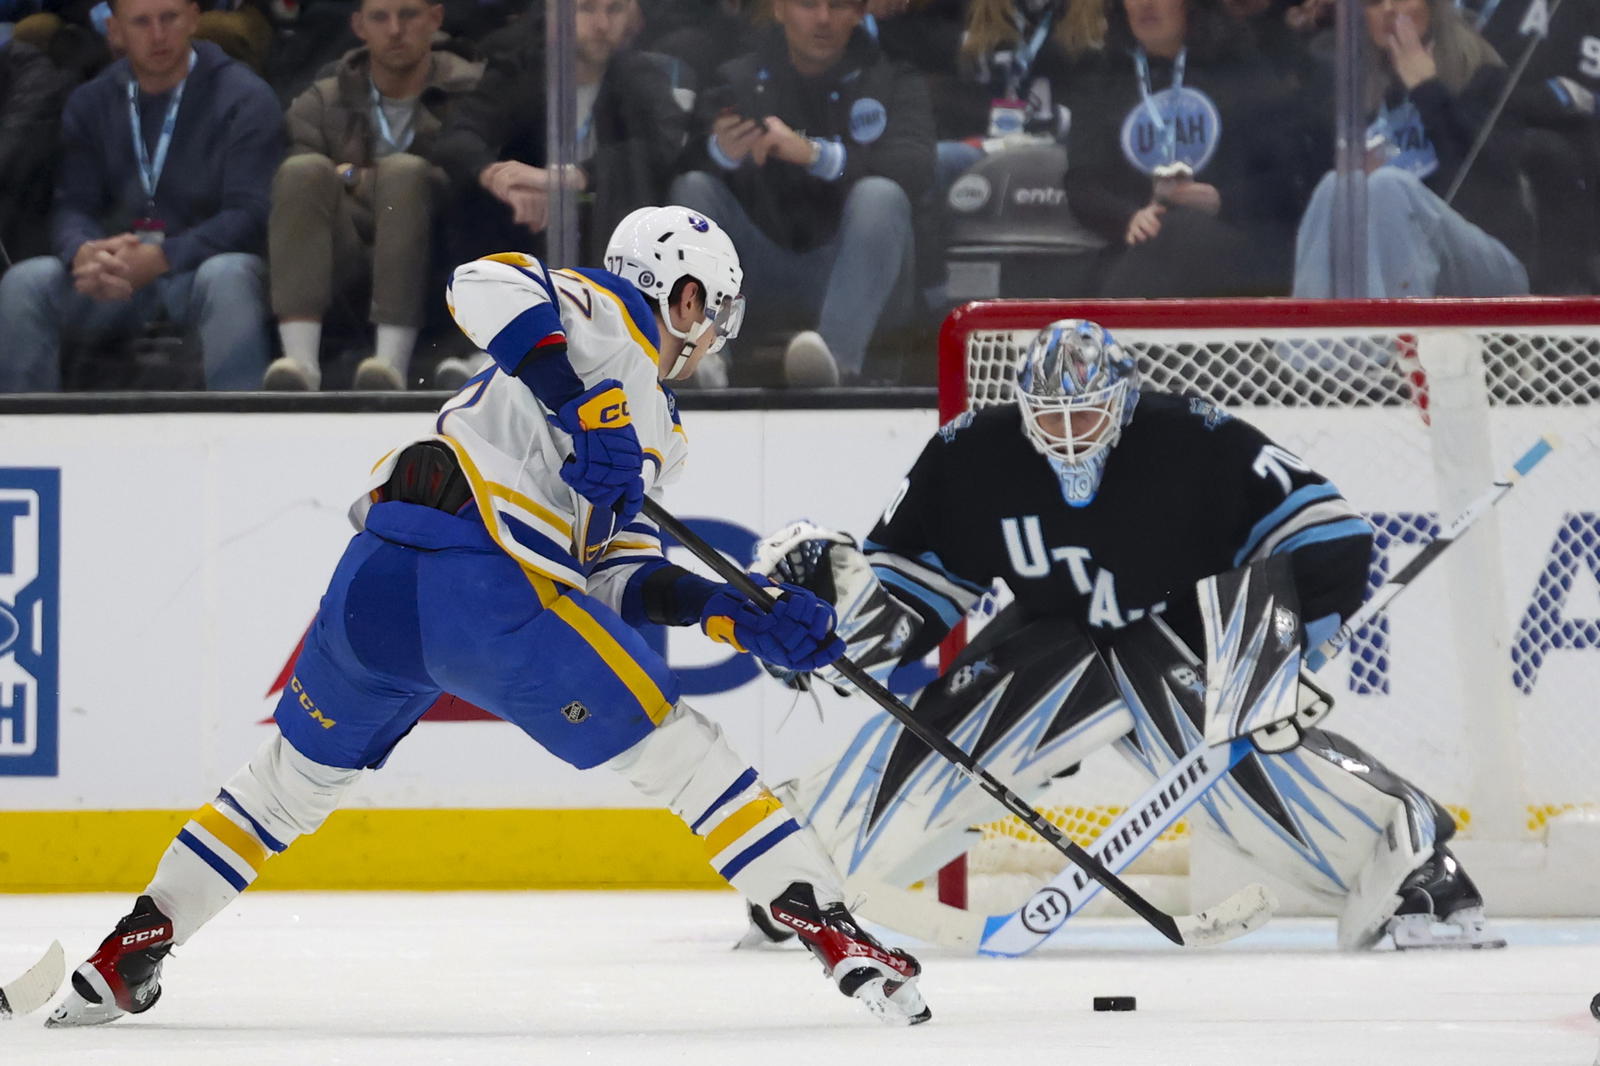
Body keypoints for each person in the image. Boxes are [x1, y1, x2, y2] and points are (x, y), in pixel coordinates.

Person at [42, 206, 931, 1029]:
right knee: (684, 757)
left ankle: (133, 947)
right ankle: (833, 930)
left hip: (375, 587)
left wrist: (732, 614)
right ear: (686, 296)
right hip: (486, 597)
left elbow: (616, 572)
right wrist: (580, 399)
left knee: (285, 786)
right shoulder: (599, 312)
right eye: (715, 310)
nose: (712, 335)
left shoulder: (660, 428)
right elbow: (481, 280)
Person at [742, 319, 1504, 952]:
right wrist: (826, 619)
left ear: (1124, 400)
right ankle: (798, 875)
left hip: (1179, 644)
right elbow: (912, 597)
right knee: (940, 743)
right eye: (1051, 417)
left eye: (1087, 414)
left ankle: (1415, 876)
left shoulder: (1193, 438)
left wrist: (1274, 649)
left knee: (1253, 760)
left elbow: (1328, 534)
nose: (1069, 435)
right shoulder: (971, 456)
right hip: (1048, 645)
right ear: (1023, 407)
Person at [0, 0, 281, 392]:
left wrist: (164, 257)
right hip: (114, 277)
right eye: (142, 22)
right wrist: (83, 251)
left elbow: (250, 213)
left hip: (196, 272)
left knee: (230, 275)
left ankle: (241, 421)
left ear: (194, 19)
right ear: (114, 30)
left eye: (169, 18)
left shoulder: (245, 97)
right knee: (26, 283)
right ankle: (23, 428)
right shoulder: (91, 101)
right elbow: (73, 204)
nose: (158, 35)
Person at [668, 0, 935, 387]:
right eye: (808, 4)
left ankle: (835, 364)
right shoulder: (736, 79)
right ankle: (706, 357)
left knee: (881, 196)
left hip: (856, 271)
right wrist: (719, 153)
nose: (823, 18)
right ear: (779, 9)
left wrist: (816, 156)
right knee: (693, 189)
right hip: (756, 270)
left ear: (859, 13)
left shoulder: (894, 78)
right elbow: (675, 165)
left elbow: (916, 168)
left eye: (838, 5)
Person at [261, 0, 484, 391]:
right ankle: (300, 362)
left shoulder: (470, 90)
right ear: (359, 26)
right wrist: (370, 181)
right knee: (301, 171)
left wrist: (353, 176)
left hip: (438, 256)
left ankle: (389, 362)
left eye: (408, 15)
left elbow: (465, 178)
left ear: (435, 18)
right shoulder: (323, 98)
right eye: (380, 17)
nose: (395, 30)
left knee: (405, 172)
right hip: (342, 256)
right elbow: (298, 186)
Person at [1063, 0, 1307, 297]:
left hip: (1232, 246)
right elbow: (1082, 183)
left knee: (1181, 231)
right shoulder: (1102, 78)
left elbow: (1285, 178)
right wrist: (1129, 217)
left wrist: (1221, 201)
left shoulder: (1240, 71)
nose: (1146, 4)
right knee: (1161, 240)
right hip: (1135, 249)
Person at [1292, 0, 1531, 298]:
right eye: (1374, 2)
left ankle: (1391, 329)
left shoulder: (1484, 74)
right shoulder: (1355, 91)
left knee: (1388, 186)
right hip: (1388, 267)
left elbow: (1493, 176)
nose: (1389, 8)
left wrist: (1427, 89)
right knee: (1335, 186)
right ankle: (1312, 329)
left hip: (1491, 264)